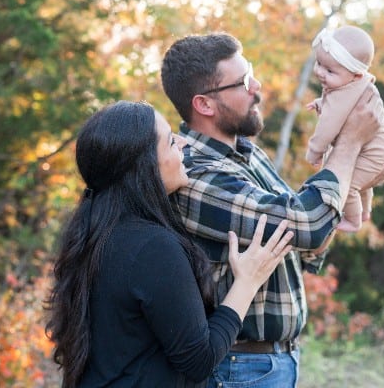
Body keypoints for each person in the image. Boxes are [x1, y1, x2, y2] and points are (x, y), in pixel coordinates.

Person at [161, 33, 384, 387]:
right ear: (204, 105)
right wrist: (350, 142)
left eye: (250, 72)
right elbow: (310, 222)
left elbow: (306, 245)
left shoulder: (249, 155)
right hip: (237, 369)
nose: (257, 86)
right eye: (242, 82)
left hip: (273, 361)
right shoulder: (195, 174)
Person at [45, 100, 296, 388]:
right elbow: (199, 360)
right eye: (170, 141)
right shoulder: (152, 247)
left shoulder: (97, 231)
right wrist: (248, 281)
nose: (184, 145)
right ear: (145, 164)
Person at [305, 26, 384, 232]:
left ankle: (354, 221)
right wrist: (322, 103)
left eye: (329, 71)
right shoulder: (352, 84)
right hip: (379, 142)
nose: (320, 72)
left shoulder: (345, 90)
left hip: (374, 148)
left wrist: (315, 151)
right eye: (319, 63)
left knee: (349, 184)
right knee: (357, 173)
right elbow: (341, 108)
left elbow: (328, 126)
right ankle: (365, 211)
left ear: (355, 75)